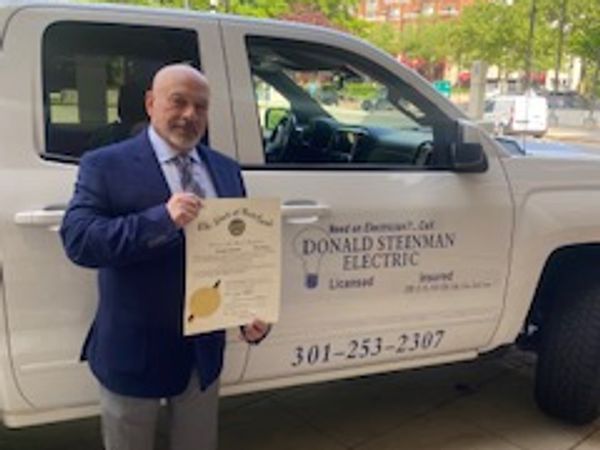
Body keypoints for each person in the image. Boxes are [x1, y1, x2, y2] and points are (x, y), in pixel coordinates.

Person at [60, 64, 271, 450]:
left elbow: (238, 253)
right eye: (178, 101)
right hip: (134, 347)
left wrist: (249, 313)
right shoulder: (105, 164)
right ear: (151, 103)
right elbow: (79, 241)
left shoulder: (225, 169)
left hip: (201, 351)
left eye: (201, 107)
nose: (190, 114)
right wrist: (161, 219)